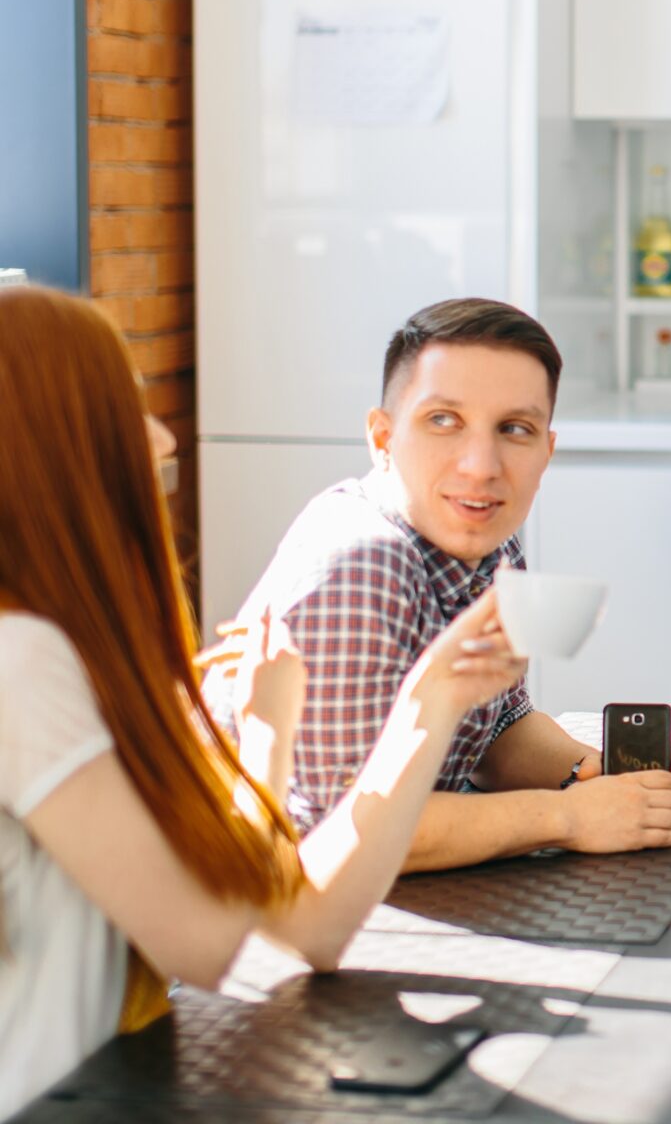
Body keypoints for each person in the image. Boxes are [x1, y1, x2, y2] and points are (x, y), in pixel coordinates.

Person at [0, 288, 528, 1118]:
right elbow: (217, 948)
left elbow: (308, 929)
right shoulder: (21, 663)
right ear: (56, 445)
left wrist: (424, 704)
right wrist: (273, 736)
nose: (163, 438)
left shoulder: (59, 648)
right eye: (128, 410)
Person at [203, 299, 671, 872]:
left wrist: (599, 780)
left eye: (514, 429)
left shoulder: (490, 541)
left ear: (546, 451)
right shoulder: (363, 562)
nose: (481, 466)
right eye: (443, 420)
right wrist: (571, 817)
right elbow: (340, 832)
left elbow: (497, 730)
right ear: (382, 438)